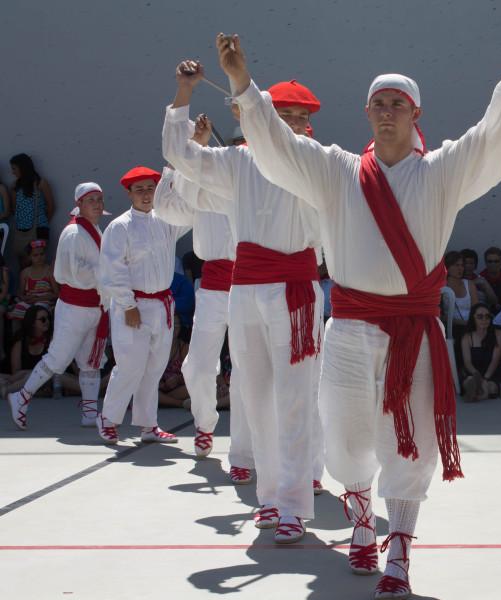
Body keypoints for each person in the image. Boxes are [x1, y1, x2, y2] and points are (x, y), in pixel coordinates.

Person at [221, 21, 501, 596]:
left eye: (398, 104)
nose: (387, 112)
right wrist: (244, 85)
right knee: (346, 440)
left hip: (413, 330)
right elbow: (277, 146)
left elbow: (493, 137)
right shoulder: (337, 170)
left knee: (410, 439)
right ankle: (360, 520)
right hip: (348, 326)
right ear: (367, 113)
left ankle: (398, 543)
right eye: (378, 104)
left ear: (415, 113)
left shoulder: (442, 170)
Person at [164, 63, 326, 544]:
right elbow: (180, 155)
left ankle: (295, 504)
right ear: (263, 117)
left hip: (295, 292)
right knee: (254, 398)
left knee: (296, 398)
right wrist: (183, 92)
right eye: (284, 115)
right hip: (246, 290)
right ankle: (271, 497)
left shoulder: (315, 159)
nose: (293, 125)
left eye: (301, 117)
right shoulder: (237, 163)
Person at [154, 160, 255, 484]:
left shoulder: (255, 184)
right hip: (212, 288)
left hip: (249, 286)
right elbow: (166, 211)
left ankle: (242, 454)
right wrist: (175, 167)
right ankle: (204, 423)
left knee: (245, 373)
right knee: (196, 366)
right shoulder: (200, 187)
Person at [96, 166, 191, 445]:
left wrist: (178, 175)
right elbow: (113, 270)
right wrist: (128, 305)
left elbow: (190, 213)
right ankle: (109, 418)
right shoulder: (120, 226)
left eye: (151, 188)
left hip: (162, 304)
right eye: (140, 189)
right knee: (130, 365)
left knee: (154, 367)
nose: (146, 194)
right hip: (133, 305)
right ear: (129, 193)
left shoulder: (166, 220)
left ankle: (149, 425)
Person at [6, 182, 109, 430]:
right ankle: (21, 397)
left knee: (90, 361)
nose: (96, 204)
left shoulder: (93, 228)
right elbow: (78, 274)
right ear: (79, 204)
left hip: (94, 306)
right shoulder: (74, 233)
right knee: (58, 358)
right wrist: (111, 271)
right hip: (75, 306)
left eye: (99, 199)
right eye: (91, 200)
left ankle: (89, 411)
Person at [9, 154, 55, 265]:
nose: (12, 172)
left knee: (37, 263)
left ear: (23, 167)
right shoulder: (16, 186)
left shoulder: (41, 183)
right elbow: (15, 207)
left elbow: (51, 206)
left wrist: (43, 221)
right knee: (24, 267)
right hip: (21, 232)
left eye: (14, 168)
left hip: (39, 230)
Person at [460, 303, 501, 401]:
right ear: (473, 318)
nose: (484, 320)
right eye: (480, 316)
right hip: (474, 373)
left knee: (491, 386)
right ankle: (477, 392)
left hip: (492, 373)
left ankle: (477, 394)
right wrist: (477, 375)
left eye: (487, 316)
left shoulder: (499, 334)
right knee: (469, 381)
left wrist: (485, 378)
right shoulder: (467, 337)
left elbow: (495, 360)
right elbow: (467, 362)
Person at [3, 305, 52, 396]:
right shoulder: (21, 342)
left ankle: (7, 391)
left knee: (36, 375)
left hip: (45, 380)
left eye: (48, 318)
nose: (47, 322)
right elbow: (16, 373)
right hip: (22, 380)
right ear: (32, 322)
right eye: (43, 319)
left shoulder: (51, 340)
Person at [8, 240, 58, 321]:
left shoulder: (49, 271)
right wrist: (25, 298)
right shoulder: (25, 273)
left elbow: (56, 294)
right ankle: (19, 333)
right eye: (35, 255)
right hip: (30, 301)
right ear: (29, 257)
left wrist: (37, 299)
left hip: (45, 301)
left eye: (42, 254)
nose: (39, 257)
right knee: (18, 308)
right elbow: (20, 293)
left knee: (37, 311)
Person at [444, 250, 478, 336]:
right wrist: (463, 323)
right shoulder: (442, 287)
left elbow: (476, 309)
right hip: (451, 327)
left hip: (470, 325)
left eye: (462, 265)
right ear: (448, 267)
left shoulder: (469, 284)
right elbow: (440, 315)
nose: (460, 268)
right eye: (456, 265)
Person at [480, 246, 501, 311]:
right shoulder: (478, 280)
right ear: (485, 262)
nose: (493, 264)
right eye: (490, 261)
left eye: (496, 261)